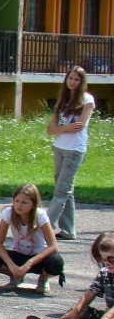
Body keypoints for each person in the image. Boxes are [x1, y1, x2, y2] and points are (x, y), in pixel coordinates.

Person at [26, 232, 114, 319]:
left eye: (111, 259)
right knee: (82, 312)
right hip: (108, 315)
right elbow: (89, 294)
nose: (107, 263)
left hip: (110, 317)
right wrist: (76, 310)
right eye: (104, 260)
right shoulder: (105, 272)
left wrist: (105, 318)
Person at [0, 183, 63, 295]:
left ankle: (43, 279)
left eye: (24, 202)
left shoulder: (40, 215)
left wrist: (29, 263)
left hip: (38, 258)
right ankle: (15, 276)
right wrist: (11, 265)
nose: (19, 205)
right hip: (18, 255)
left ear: (33, 204)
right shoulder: (8, 212)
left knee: (56, 262)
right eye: (16, 201)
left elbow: (53, 246)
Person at [46, 66, 94, 241]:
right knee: (65, 189)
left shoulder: (87, 100)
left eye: (76, 79)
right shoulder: (63, 100)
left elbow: (78, 126)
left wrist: (60, 128)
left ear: (82, 82)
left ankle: (46, 227)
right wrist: (63, 129)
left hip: (75, 149)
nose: (72, 82)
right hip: (60, 147)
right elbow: (50, 130)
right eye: (70, 78)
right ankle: (68, 229)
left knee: (61, 190)